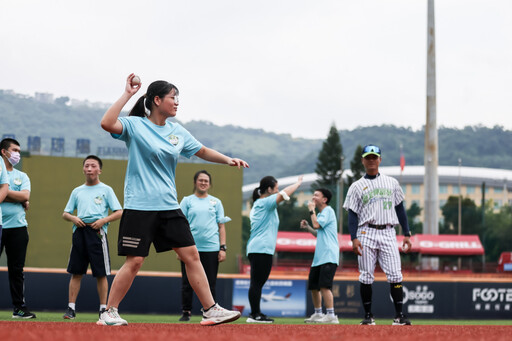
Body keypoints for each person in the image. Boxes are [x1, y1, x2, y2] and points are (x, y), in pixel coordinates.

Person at [98, 74, 247, 326]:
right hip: (140, 206)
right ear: (156, 100)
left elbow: (201, 150)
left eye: (178, 98)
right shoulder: (135, 126)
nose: (177, 102)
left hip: (169, 206)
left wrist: (228, 159)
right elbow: (106, 122)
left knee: (192, 256)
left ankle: (210, 310)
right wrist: (128, 93)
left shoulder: (177, 131)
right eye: (172, 97)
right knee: (135, 261)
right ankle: (109, 312)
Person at [343, 144, 412, 326]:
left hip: (389, 231)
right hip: (366, 231)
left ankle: (399, 316)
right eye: (368, 157)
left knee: (396, 275)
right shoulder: (356, 186)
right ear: (363, 161)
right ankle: (368, 316)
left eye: (375, 157)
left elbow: (400, 209)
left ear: (380, 160)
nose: (372, 160)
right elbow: (352, 215)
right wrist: (353, 237)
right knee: (366, 275)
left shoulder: (392, 182)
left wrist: (407, 233)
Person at [62, 155, 123, 320]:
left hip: (97, 233)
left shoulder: (106, 190)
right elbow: (65, 213)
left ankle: (103, 309)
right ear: (83, 169)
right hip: (80, 231)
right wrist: (73, 218)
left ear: (99, 170)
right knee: (76, 272)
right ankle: (71, 308)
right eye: (87, 166)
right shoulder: (77, 191)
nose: (89, 169)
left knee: (101, 273)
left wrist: (103, 220)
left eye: (93, 166)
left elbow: (119, 211)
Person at [246, 175, 303, 323]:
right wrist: (297, 183)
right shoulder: (264, 203)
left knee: (258, 282)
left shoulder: (264, 204)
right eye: (275, 188)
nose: (277, 191)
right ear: (269, 189)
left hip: (262, 248)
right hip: (261, 248)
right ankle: (254, 315)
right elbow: (284, 195)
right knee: (257, 283)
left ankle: (256, 313)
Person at [178, 170, 231, 321]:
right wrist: (179, 247)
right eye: (200, 180)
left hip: (211, 248)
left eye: (206, 181)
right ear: (195, 182)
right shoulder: (187, 201)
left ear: (210, 184)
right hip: (189, 248)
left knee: (210, 282)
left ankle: (209, 312)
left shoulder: (216, 202)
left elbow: (221, 226)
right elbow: (181, 225)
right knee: (187, 282)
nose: (203, 183)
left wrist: (222, 248)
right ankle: (186, 311)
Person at [0, 138, 36, 319]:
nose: (17, 154)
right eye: (14, 150)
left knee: (16, 270)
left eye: (19, 151)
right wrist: (19, 198)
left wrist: (5, 192)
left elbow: (25, 195)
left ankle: (19, 309)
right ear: (3, 152)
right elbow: (21, 197)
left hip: (18, 228)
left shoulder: (22, 176)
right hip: (0, 225)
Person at [300, 188, 339, 324]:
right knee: (314, 287)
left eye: (316, 195)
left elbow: (316, 224)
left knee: (324, 286)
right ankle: (318, 313)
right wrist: (308, 228)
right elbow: (318, 232)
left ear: (324, 199)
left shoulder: (328, 211)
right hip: (319, 257)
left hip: (328, 255)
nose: (313, 197)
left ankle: (331, 315)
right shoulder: (323, 213)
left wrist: (312, 210)